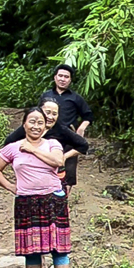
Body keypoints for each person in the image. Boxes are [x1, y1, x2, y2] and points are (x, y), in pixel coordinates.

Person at [0, 107, 73, 268]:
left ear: (45, 126)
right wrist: (10, 186)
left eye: (40, 122)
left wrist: (33, 149)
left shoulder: (53, 143)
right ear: (24, 124)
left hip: (53, 199)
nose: (36, 126)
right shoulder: (12, 147)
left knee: (59, 248)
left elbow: (58, 161)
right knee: (32, 250)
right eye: (32, 121)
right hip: (26, 202)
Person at [4, 97, 89, 189]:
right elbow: (8, 144)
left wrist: (64, 157)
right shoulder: (28, 128)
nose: (50, 117)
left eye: (54, 114)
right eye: (47, 112)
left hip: (55, 174)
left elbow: (83, 145)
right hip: (30, 176)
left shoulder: (61, 130)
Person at [38, 64, 94, 192]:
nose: (63, 79)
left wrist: (81, 128)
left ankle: (64, 198)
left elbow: (88, 115)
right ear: (55, 77)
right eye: (60, 76)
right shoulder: (46, 96)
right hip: (48, 136)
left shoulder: (75, 98)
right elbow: (38, 113)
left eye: (66, 77)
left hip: (68, 137)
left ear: (70, 80)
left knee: (68, 170)